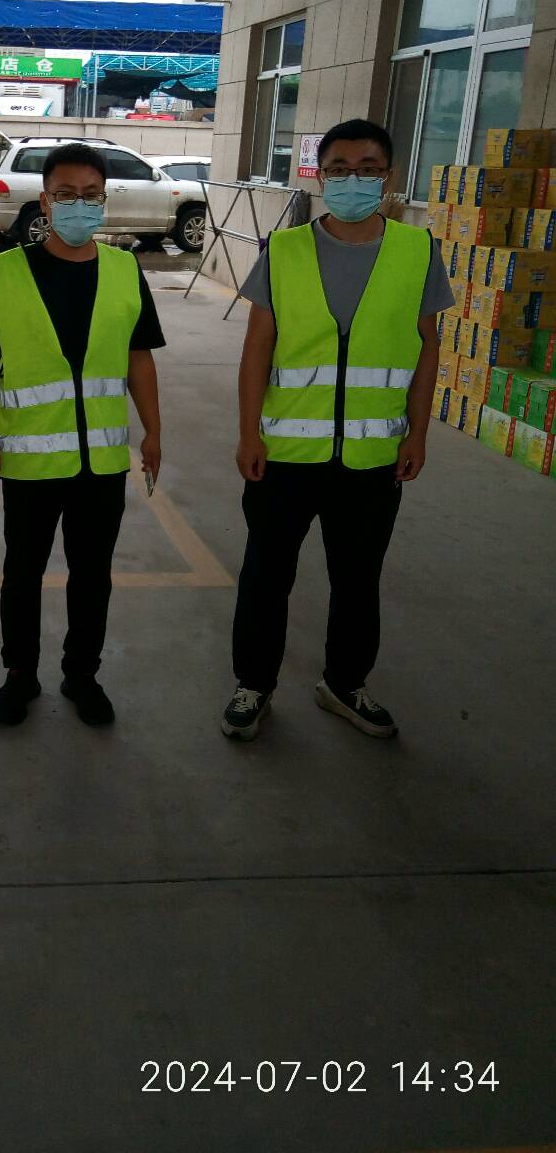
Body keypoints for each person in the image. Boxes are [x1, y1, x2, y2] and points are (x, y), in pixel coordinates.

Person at [222, 118, 454, 741]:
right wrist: (248, 434)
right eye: (340, 169)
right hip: (285, 454)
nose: (354, 180)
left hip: (374, 457)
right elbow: (257, 348)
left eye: (368, 169)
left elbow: (427, 349)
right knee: (266, 576)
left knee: (358, 580)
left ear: (388, 176)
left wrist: (418, 434)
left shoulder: (418, 251)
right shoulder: (285, 249)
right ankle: (253, 685)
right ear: (321, 177)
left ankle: (345, 684)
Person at [0, 143, 165, 728]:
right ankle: (19, 675)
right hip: (30, 460)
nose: (80, 205)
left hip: (101, 463)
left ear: (105, 200)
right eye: (66, 195)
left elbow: (140, 358)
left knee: (92, 575)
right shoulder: (6, 271)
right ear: (46, 201)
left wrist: (153, 432)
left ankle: (82, 675)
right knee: (22, 574)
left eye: (91, 195)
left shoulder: (125, 270)